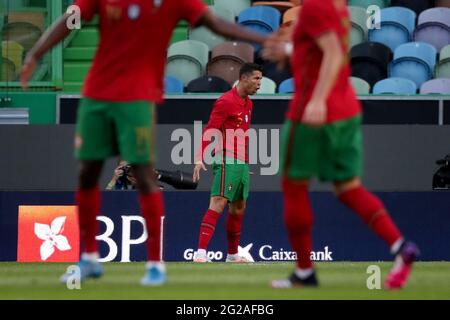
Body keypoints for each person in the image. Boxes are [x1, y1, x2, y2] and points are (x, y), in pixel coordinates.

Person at [20, 0, 266, 286]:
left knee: (145, 175)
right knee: (87, 173)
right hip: (97, 94)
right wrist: (36, 53)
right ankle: (88, 257)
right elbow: (71, 17)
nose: (259, 83)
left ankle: (154, 263)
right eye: (257, 79)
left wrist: (261, 38)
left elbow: (215, 22)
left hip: (138, 97)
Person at [262, 0, 419, 289]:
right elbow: (321, 50)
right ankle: (400, 246)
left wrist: (319, 99)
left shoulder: (313, 6)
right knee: (348, 189)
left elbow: (334, 54)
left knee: (294, 186)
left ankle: (305, 272)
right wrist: (287, 50)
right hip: (345, 109)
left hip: (313, 111)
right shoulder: (337, 6)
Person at [192, 63, 262, 263]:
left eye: (261, 80)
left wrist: (243, 164)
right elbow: (210, 129)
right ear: (244, 78)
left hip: (240, 163)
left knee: (238, 208)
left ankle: (232, 255)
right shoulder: (225, 101)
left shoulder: (249, 103)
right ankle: (200, 253)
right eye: (256, 79)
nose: (259, 84)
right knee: (218, 202)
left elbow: (242, 136)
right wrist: (199, 157)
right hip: (225, 159)